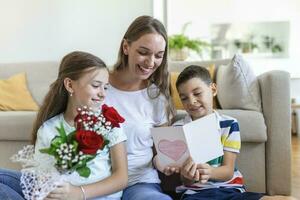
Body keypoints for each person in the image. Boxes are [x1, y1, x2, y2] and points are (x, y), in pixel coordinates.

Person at [0, 51, 128, 200]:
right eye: (96, 86)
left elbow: (122, 178)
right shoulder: (48, 129)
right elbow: (42, 180)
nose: (102, 94)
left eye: (105, 87)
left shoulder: (109, 122)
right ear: (69, 85)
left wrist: (79, 193)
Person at [156, 65, 264, 200]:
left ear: (213, 89)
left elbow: (228, 171)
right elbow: (185, 180)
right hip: (194, 193)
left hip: (230, 190)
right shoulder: (178, 128)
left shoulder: (229, 124)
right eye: (184, 98)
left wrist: (210, 172)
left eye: (197, 93)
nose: (191, 101)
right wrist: (185, 174)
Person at [104, 15, 176, 200]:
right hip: (98, 181)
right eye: (144, 52)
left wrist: (169, 163)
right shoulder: (98, 85)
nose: (151, 63)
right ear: (126, 47)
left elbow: (162, 154)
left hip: (140, 183)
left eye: (158, 56)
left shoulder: (157, 98)